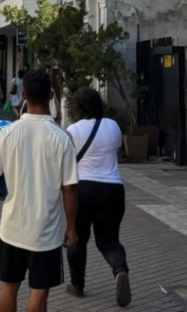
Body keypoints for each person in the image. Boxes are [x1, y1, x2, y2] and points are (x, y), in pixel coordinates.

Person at [0, 68, 78, 312]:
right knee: (38, 294)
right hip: (44, 232)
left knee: (9, 286)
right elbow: (69, 189)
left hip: (11, 226)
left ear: (23, 95)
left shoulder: (7, 132)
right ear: (51, 95)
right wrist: (71, 227)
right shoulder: (61, 138)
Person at [64, 87, 130, 307]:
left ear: (76, 107)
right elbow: (117, 150)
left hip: (82, 189)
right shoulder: (113, 126)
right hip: (112, 189)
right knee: (110, 241)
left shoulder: (73, 130)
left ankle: (77, 285)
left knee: (77, 238)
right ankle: (120, 271)